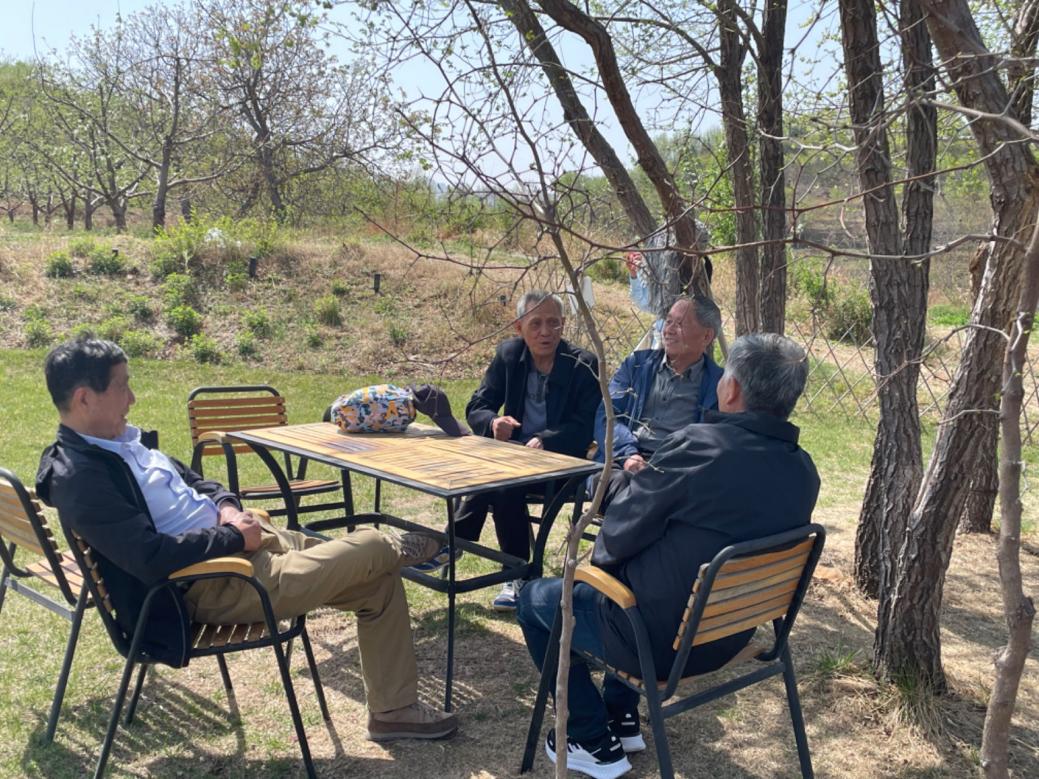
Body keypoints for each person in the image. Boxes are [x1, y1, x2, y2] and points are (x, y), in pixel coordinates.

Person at [35, 336, 458, 742]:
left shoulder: (121, 443)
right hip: (221, 581)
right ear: (84, 399)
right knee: (372, 546)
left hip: (251, 545)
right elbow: (148, 556)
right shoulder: (82, 478)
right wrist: (231, 538)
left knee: (377, 581)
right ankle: (406, 547)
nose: (132, 399)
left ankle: (392, 713)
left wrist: (227, 507)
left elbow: (198, 482)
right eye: (122, 387)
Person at [516, 333, 820, 779]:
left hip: (662, 647)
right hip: (728, 632)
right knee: (649, 576)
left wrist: (614, 487)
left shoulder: (700, 448)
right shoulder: (803, 469)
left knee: (534, 600)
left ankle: (589, 737)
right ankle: (620, 716)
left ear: (731, 389)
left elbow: (618, 534)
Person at [420, 291, 599, 612]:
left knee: (500, 478)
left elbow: (586, 425)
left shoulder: (582, 364)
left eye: (554, 323)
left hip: (562, 466)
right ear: (519, 327)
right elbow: (477, 405)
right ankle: (517, 576)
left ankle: (454, 542)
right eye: (536, 324)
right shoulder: (508, 355)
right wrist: (493, 422)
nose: (545, 332)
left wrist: (546, 440)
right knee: (504, 482)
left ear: (563, 324)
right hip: (510, 461)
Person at [592, 294, 724, 512]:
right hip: (621, 460)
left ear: (707, 336)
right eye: (668, 321)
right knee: (619, 483)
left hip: (676, 470)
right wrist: (629, 454)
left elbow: (715, 442)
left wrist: (668, 464)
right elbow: (607, 416)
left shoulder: (718, 384)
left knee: (668, 495)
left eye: (679, 324)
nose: (668, 330)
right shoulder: (636, 366)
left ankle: (625, 531)